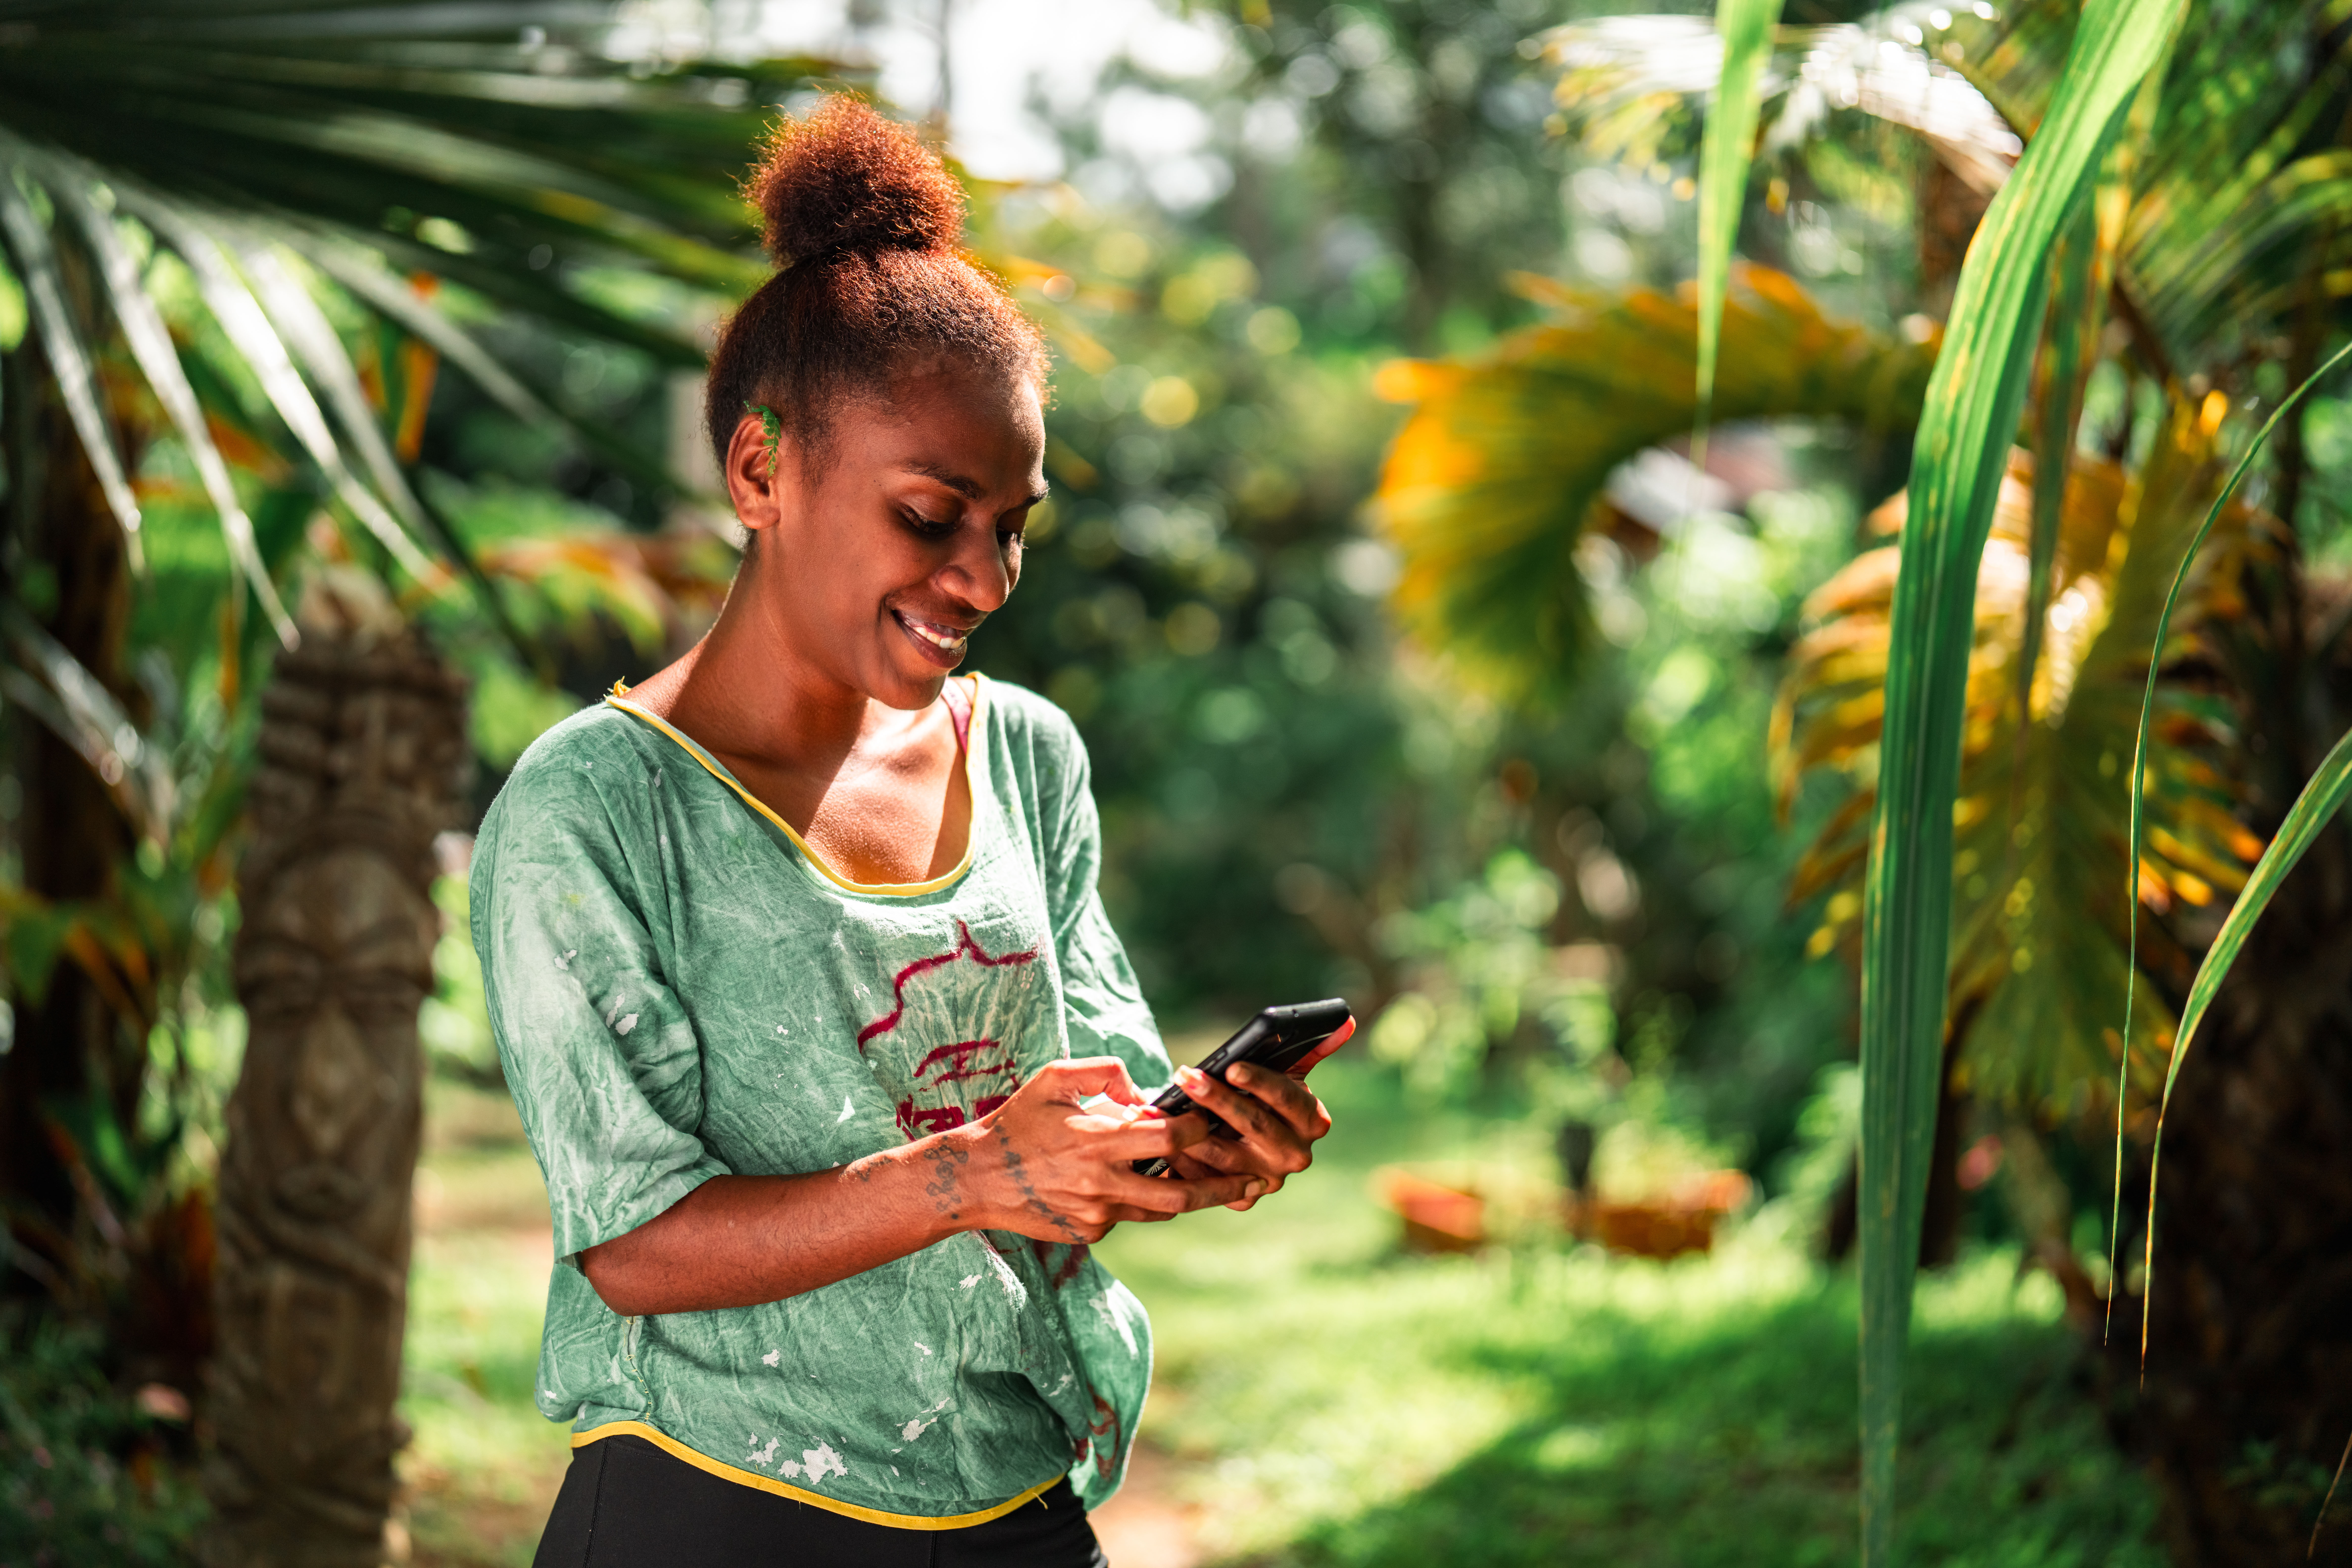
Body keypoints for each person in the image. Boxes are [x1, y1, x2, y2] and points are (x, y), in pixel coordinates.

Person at [470, 97, 1342, 1568]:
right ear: (761, 472)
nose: (986, 578)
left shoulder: (1027, 759)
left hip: (1013, 1501)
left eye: (1013, 525)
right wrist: (972, 1176)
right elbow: (632, 1246)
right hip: (712, 1511)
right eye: (934, 515)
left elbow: (1082, 1114)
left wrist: (1190, 1147)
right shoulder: (598, 808)